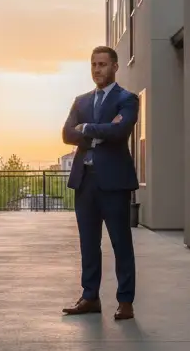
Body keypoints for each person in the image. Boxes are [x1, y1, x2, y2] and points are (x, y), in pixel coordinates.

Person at [60, 46, 140, 320]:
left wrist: (87, 129)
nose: (97, 70)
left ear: (115, 67)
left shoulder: (127, 99)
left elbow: (119, 131)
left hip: (114, 182)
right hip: (85, 182)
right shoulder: (81, 101)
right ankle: (89, 297)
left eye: (103, 64)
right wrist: (99, 131)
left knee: (121, 242)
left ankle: (125, 301)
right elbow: (66, 134)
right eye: (94, 64)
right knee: (88, 243)